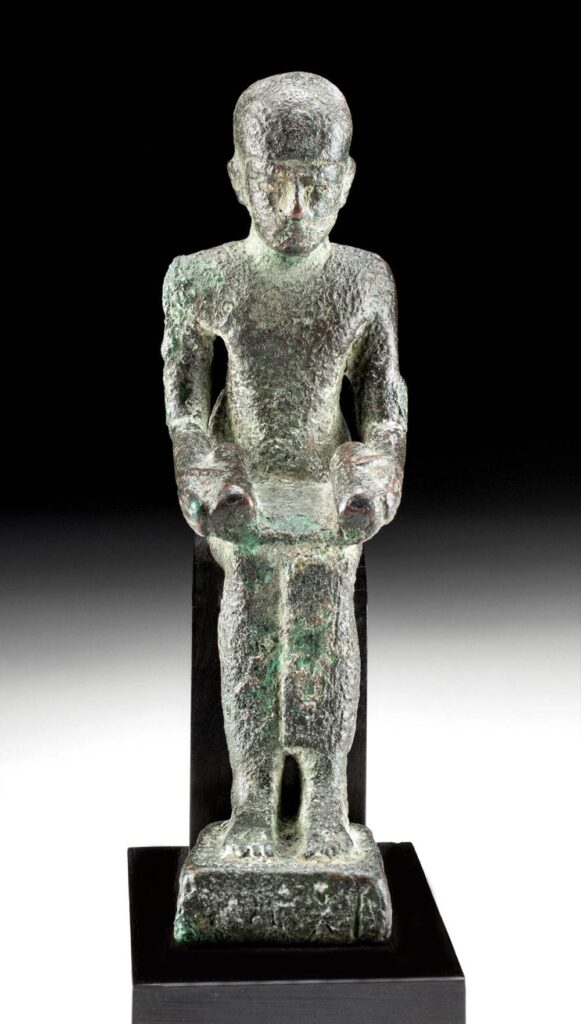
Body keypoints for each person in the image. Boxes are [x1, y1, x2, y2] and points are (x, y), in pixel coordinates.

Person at [161, 71, 407, 860]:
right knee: (252, 620)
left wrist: (371, 475)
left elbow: (383, 400)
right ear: (239, 178)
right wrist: (206, 472)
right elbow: (185, 405)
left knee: (321, 616)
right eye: (274, 184)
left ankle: (326, 799)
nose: (295, 208)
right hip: (244, 486)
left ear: (347, 180)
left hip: (325, 486)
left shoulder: (362, 279)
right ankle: (253, 803)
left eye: (316, 184)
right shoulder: (202, 277)